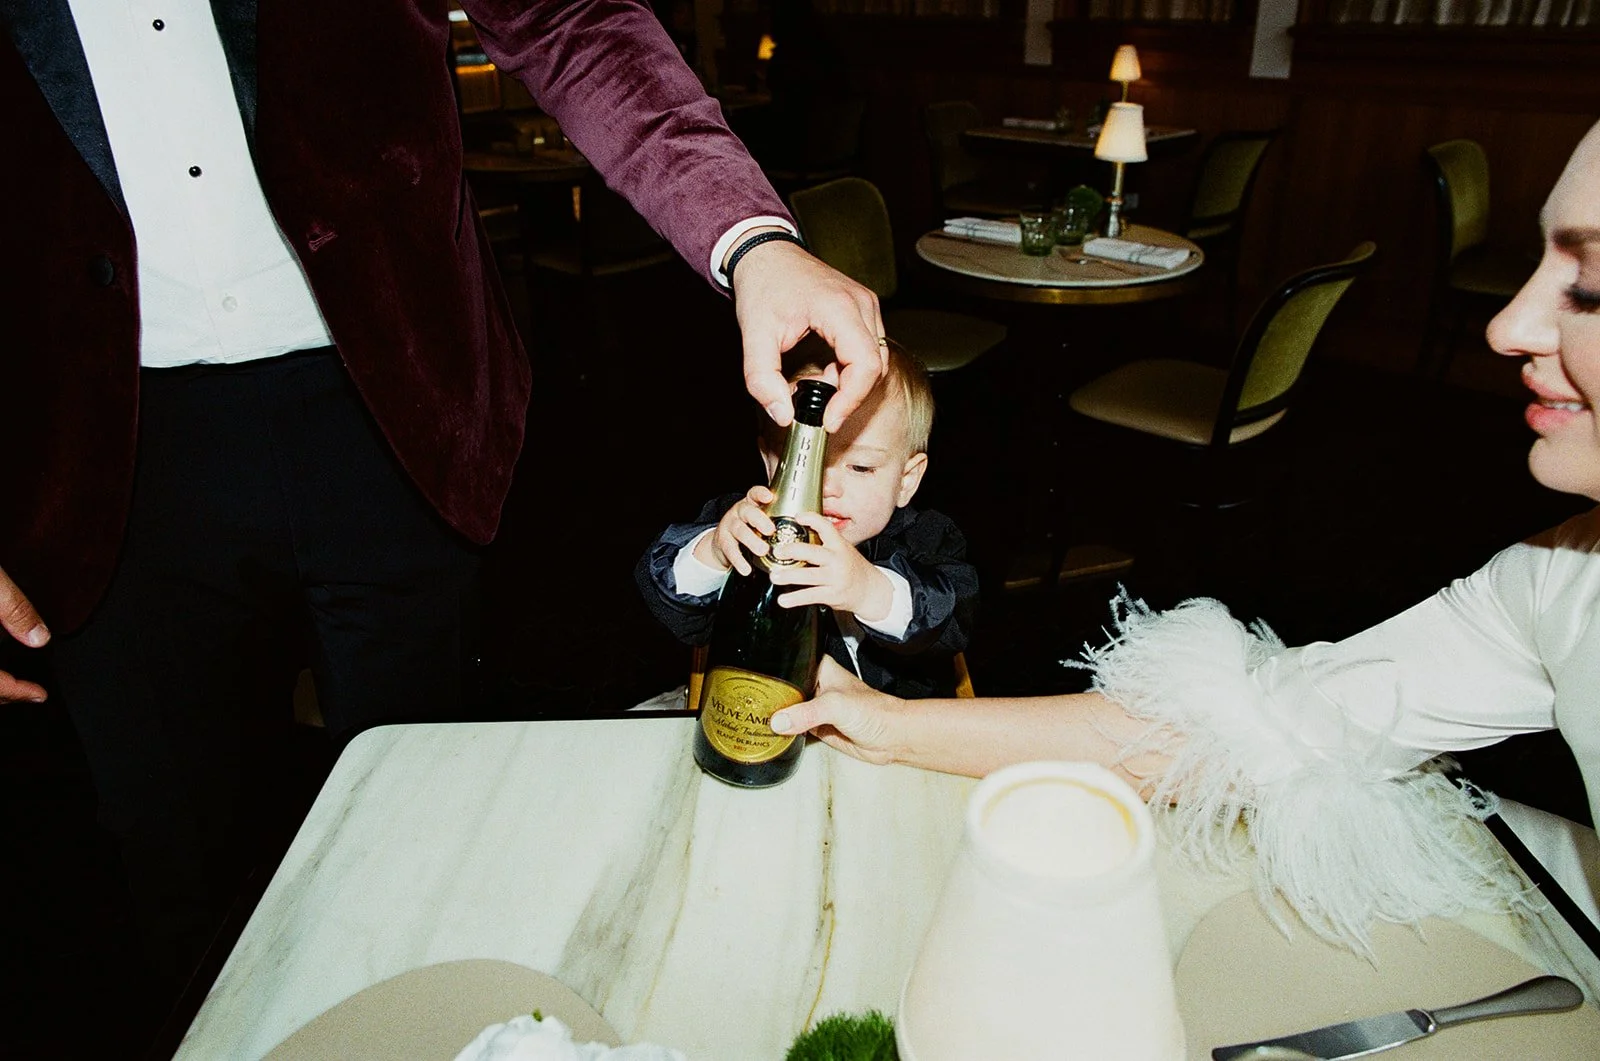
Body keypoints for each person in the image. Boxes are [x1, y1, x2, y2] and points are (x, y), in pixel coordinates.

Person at [0, 0, 886, 1001]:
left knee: (427, 838)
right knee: (181, 870)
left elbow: (573, 19)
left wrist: (752, 240)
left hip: (392, 406)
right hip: (88, 452)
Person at [772, 120, 1600, 949]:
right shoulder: (1554, 579)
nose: (1507, 326)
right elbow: (1242, 729)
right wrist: (889, 723)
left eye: (1590, 285)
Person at [637, 346, 979, 699]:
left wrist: (867, 589)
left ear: (906, 480)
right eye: (803, 458)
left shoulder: (927, 537)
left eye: (860, 467)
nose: (826, 487)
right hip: (759, 720)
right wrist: (715, 553)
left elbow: (955, 619)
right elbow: (670, 601)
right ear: (771, 462)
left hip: (894, 734)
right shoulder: (749, 528)